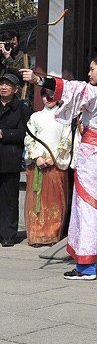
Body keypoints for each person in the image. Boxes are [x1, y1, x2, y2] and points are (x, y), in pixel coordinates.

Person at [20, 55, 97, 280]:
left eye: (92, 70)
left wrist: (37, 79)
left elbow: (66, 87)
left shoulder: (95, 93)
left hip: (92, 156)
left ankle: (86, 266)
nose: (89, 74)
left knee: (87, 207)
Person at [24, 88, 72, 246]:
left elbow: (66, 141)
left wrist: (54, 158)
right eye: (45, 95)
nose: (49, 98)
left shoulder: (64, 116)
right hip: (37, 164)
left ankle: (52, 235)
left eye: (52, 94)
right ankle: (36, 236)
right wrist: (36, 157)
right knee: (36, 201)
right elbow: (28, 139)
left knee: (54, 202)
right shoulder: (35, 117)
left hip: (55, 165)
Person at [0, 72, 31, 247]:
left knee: (10, 200)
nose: (3, 87)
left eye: (8, 85)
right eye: (2, 84)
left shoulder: (21, 108)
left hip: (10, 158)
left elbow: (24, 133)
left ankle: (8, 234)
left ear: (16, 89)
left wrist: (4, 133)